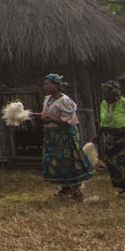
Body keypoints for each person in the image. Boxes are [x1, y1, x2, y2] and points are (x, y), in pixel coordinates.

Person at [37, 74, 93, 202]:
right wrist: (33, 115)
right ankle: (65, 188)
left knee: (68, 160)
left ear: (56, 85)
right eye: (44, 84)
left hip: (65, 135)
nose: (45, 86)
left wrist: (50, 119)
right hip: (52, 135)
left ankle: (76, 191)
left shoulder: (65, 101)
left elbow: (69, 122)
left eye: (47, 84)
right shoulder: (47, 99)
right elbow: (46, 115)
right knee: (54, 160)